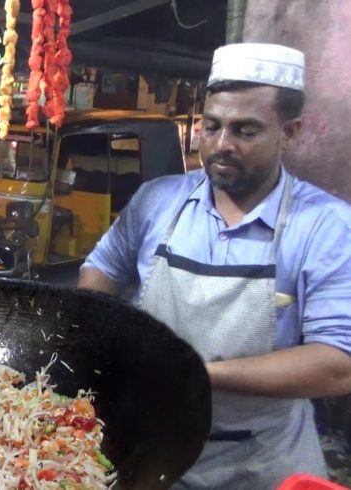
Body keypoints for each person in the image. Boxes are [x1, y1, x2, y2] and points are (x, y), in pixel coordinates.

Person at [78, 43, 351, 488]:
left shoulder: (328, 226)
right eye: (212, 126)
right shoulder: (156, 202)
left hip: (261, 459)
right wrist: (99, 339)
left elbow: (338, 363)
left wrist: (193, 373)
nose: (221, 145)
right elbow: (101, 270)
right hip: (148, 443)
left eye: (246, 130)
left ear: (290, 132)